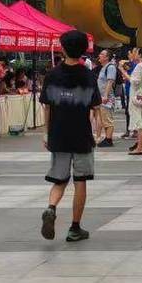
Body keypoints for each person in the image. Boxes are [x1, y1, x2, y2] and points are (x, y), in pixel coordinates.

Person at [39, 31, 101, 242]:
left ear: (63, 48)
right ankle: (75, 228)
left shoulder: (52, 75)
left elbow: (46, 108)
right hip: (81, 135)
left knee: (59, 179)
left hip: (58, 134)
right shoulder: (88, 76)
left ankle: (51, 208)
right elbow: (95, 108)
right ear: (83, 49)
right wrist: (98, 132)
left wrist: (46, 133)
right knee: (80, 181)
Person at [117, 47, 142, 155]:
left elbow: (134, 81)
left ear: (140, 55)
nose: (134, 54)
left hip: (139, 95)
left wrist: (123, 71)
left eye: (136, 53)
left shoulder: (140, 66)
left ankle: (140, 148)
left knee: (140, 122)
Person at [95, 50, 117, 148]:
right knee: (104, 118)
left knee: (107, 119)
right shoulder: (104, 67)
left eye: (102, 54)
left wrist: (105, 95)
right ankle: (107, 138)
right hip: (102, 97)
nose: (99, 55)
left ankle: (108, 139)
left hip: (107, 97)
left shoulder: (110, 67)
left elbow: (110, 81)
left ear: (107, 57)